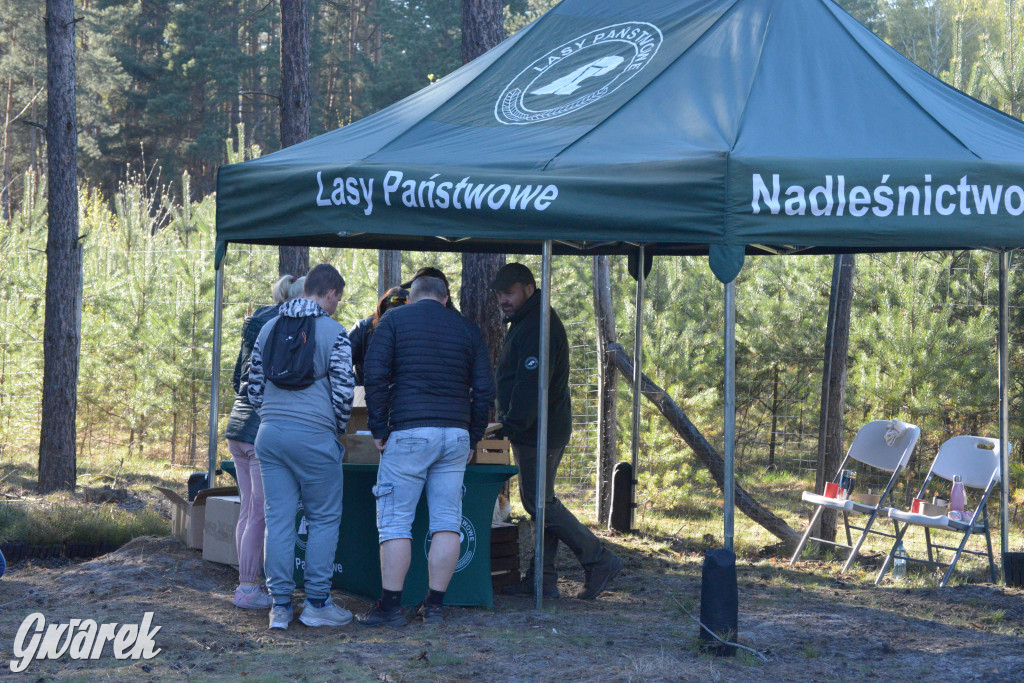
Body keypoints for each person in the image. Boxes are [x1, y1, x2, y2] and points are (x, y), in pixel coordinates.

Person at [357, 274, 494, 627]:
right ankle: (434, 605)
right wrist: (474, 434)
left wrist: (379, 428)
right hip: (455, 434)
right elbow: (483, 390)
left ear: (411, 298)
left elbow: (374, 374)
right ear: (446, 298)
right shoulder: (467, 329)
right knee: (448, 521)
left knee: (395, 521)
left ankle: (390, 607)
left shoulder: (393, 321)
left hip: (409, 431)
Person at [492, 262, 623, 600]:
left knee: (541, 504)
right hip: (536, 427)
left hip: (540, 428)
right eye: (500, 295)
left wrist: (510, 425)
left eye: (508, 293)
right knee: (541, 502)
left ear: (528, 289)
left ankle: (599, 559)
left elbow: (531, 384)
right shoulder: (527, 320)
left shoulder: (537, 325)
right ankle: (543, 580)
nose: (503, 300)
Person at [248, 263, 355, 630]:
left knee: (278, 518)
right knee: (323, 517)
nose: (336, 305)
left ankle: (278, 606)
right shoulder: (334, 332)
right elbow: (343, 393)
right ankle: (317, 604)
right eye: (337, 299)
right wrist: (334, 428)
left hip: (270, 436)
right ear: (329, 293)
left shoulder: (268, 328)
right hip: (314, 436)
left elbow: (253, 389)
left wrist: (273, 417)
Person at [225, 274, 305, 610]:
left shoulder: (254, 322)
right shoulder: (286, 328)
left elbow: (235, 379)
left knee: (248, 510)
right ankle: (247, 588)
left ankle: (245, 583)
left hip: (236, 425)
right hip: (260, 430)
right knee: (259, 513)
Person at [348, 286, 408, 385]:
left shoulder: (415, 333)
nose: (393, 322)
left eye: (399, 317)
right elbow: (341, 364)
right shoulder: (363, 329)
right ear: (382, 311)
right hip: (364, 394)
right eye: (389, 316)